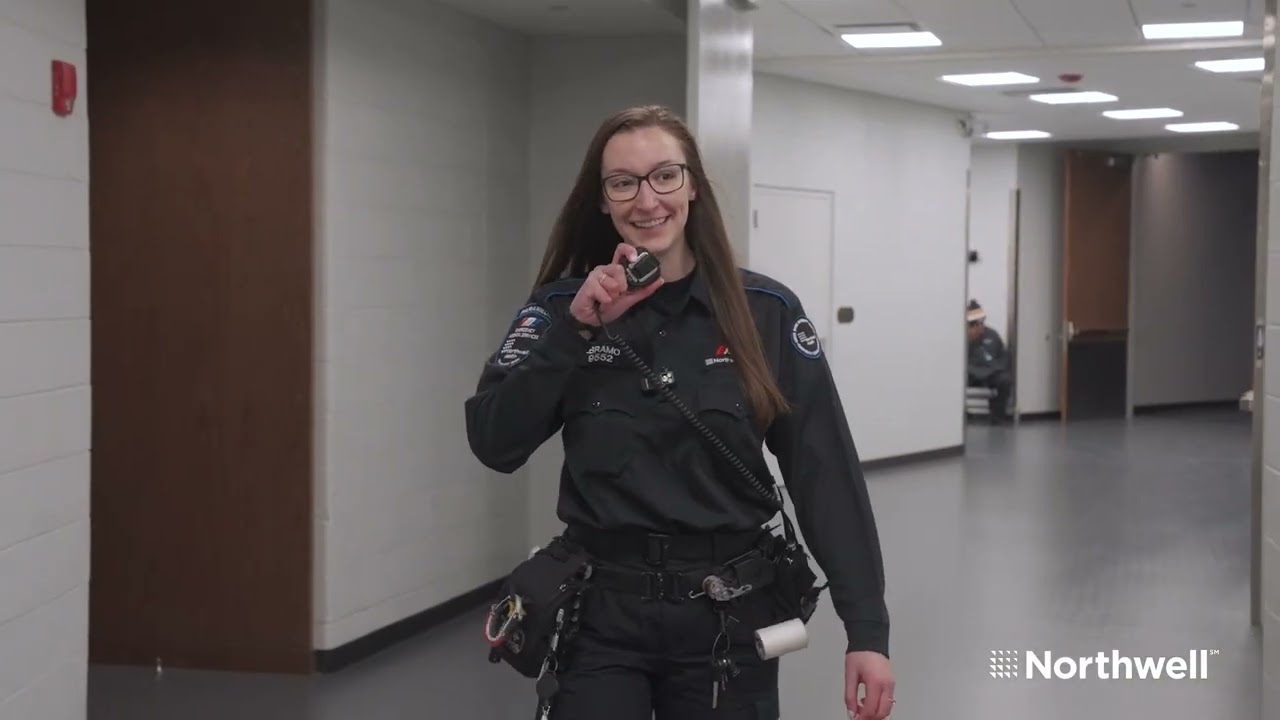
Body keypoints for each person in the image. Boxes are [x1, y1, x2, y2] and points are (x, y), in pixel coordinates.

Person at [464, 105, 893, 720]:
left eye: (665, 176)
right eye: (623, 183)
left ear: (692, 185)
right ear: (603, 200)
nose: (647, 200)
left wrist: (867, 631)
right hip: (601, 618)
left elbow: (825, 474)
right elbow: (493, 441)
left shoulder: (764, 312)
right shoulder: (561, 309)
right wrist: (574, 332)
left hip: (727, 616)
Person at [966, 300, 1012, 422]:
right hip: (970, 372)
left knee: (1005, 380)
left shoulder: (992, 335)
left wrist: (996, 368)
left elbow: (1003, 357)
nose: (979, 327)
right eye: (975, 324)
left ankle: (997, 416)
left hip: (990, 372)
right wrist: (970, 339)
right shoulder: (961, 336)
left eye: (981, 322)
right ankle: (962, 414)